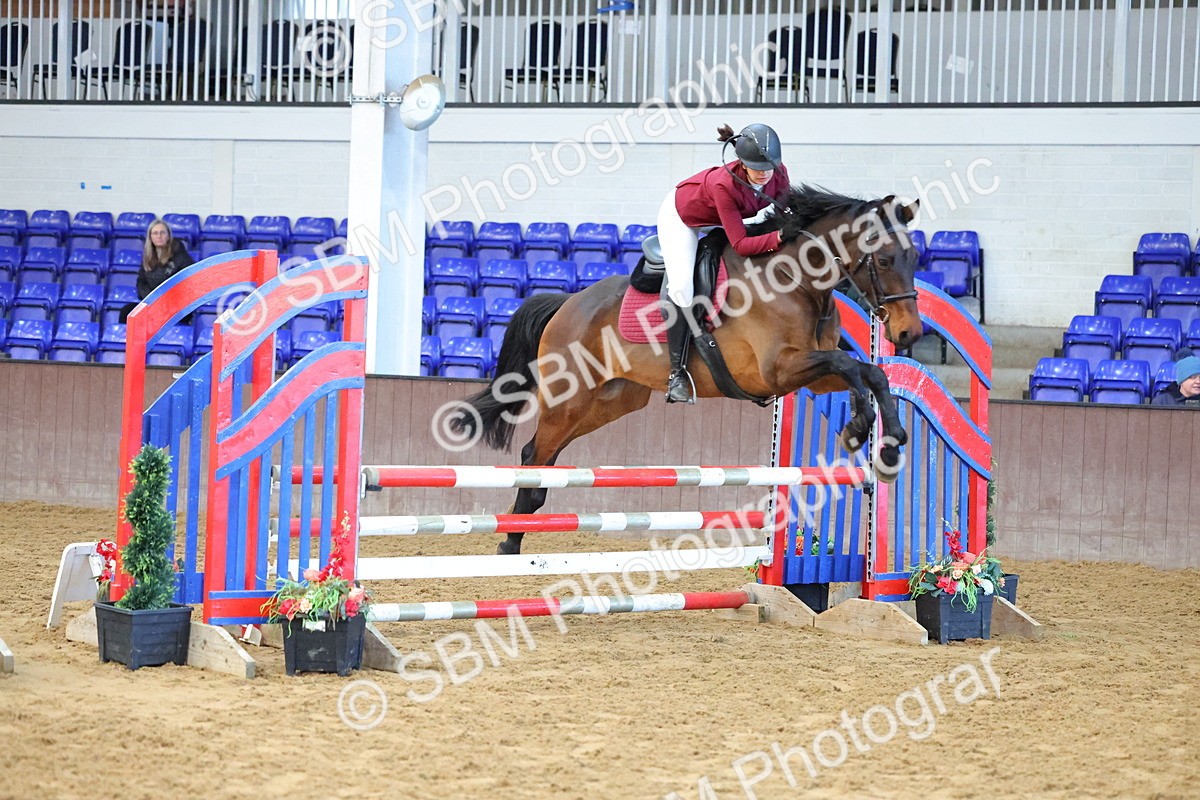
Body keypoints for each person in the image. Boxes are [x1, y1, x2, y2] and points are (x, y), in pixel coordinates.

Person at [657, 123, 792, 403]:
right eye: (758, 167)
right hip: (681, 218)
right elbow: (741, 245)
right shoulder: (724, 184)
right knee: (681, 286)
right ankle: (677, 374)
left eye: (770, 166)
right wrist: (778, 236)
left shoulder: (777, 172)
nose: (766, 173)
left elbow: (785, 214)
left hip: (721, 218)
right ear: (742, 164)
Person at [118, 219, 195, 323]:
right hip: (152, 304)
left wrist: (165, 302)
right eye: (155, 233)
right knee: (127, 312)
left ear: (168, 236)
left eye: (162, 232)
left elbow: (190, 282)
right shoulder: (148, 257)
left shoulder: (180, 255)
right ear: (150, 237)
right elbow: (141, 282)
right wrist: (151, 299)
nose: (159, 236)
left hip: (175, 307)